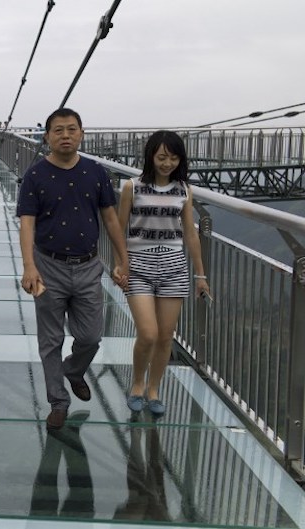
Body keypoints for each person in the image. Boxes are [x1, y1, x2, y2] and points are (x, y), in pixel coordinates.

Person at [17, 107, 129, 430]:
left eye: (71, 129)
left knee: (91, 336)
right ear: (47, 136)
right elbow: (27, 224)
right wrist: (29, 266)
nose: (65, 135)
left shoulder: (95, 172)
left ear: (81, 134)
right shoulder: (35, 176)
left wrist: (123, 259)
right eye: (58, 130)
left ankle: (74, 369)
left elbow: (110, 218)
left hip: (88, 265)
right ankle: (58, 402)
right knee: (50, 339)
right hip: (48, 265)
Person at [117, 130, 211, 415]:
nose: (167, 163)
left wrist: (200, 274)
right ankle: (137, 384)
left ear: (180, 159)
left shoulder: (184, 190)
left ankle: (154, 390)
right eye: (161, 157)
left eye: (172, 157)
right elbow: (118, 228)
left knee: (166, 336)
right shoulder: (131, 187)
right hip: (139, 266)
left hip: (173, 268)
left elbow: (191, 235)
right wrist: (120, 263)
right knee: (147, 333)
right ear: (150, 157)